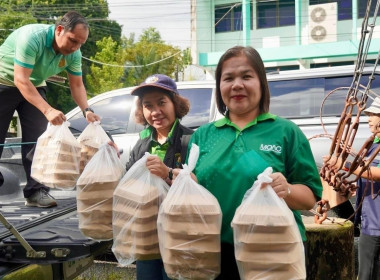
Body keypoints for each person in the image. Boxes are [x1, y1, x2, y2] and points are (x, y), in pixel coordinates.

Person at [186, 46, 323, 279]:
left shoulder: (286, 132)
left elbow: (310, 197)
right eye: (228, 78)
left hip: (272, 251)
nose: (236, 85)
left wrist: (287, 189)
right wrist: (186, 184)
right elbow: (196, 187)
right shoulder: (203, 135)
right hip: (214, 251)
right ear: (219, 88)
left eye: (246, 76)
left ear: (261, 83)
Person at [0, 11, 100, 208]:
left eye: (81, 43)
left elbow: (77, 85)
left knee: (38, 139)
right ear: (60, 30)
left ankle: (36, 191)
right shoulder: (32, 38)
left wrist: (86, 110)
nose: (75, 48)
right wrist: (48, 110)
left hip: (34, 85)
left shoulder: (74, 53)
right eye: (73, 41)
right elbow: (21, 79)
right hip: (3, 81)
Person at [125, 74, 193, 280]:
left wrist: (168, 174)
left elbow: (199, 185)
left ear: (175, 103)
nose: (155, 112)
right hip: (148, 234)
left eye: (161, 102)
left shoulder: (189, 140)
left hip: (179, 234)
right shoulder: (142, 143)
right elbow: (127, 182)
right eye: (148, 105)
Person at [324, 96, 380, 280]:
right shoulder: (374, 145)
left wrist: (345, 165)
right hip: (369, 222)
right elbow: (369, 177)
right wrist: (351, 186)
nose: (369, 118)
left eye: (373, 114)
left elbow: (377, 173)